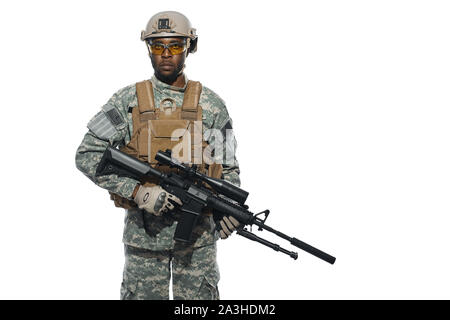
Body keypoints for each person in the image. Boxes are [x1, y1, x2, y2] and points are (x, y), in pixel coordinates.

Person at [75, 11, 241, 300]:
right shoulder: (127, 101)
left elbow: (228, 167)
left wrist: (229, 209)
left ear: (190, 47)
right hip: (144, 241)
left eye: (175, 46)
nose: (166, 54)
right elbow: (87, 154)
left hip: (198, 242)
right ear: (148, 49)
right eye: (157, 46)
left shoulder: (212, 105)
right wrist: (138, 191)